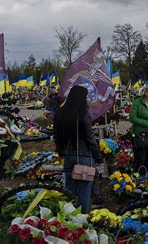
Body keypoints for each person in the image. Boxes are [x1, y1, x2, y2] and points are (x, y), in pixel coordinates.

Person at [53, 85, 103, 213]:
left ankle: (69, 219)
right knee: (84, 193)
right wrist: (99, 157)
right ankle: (83, 222)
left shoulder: (60, 113)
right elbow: (90, 139)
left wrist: (60, 151)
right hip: (84, 156)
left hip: (68, 156)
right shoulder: (82, 115)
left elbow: (56, 136)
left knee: (69, 192)